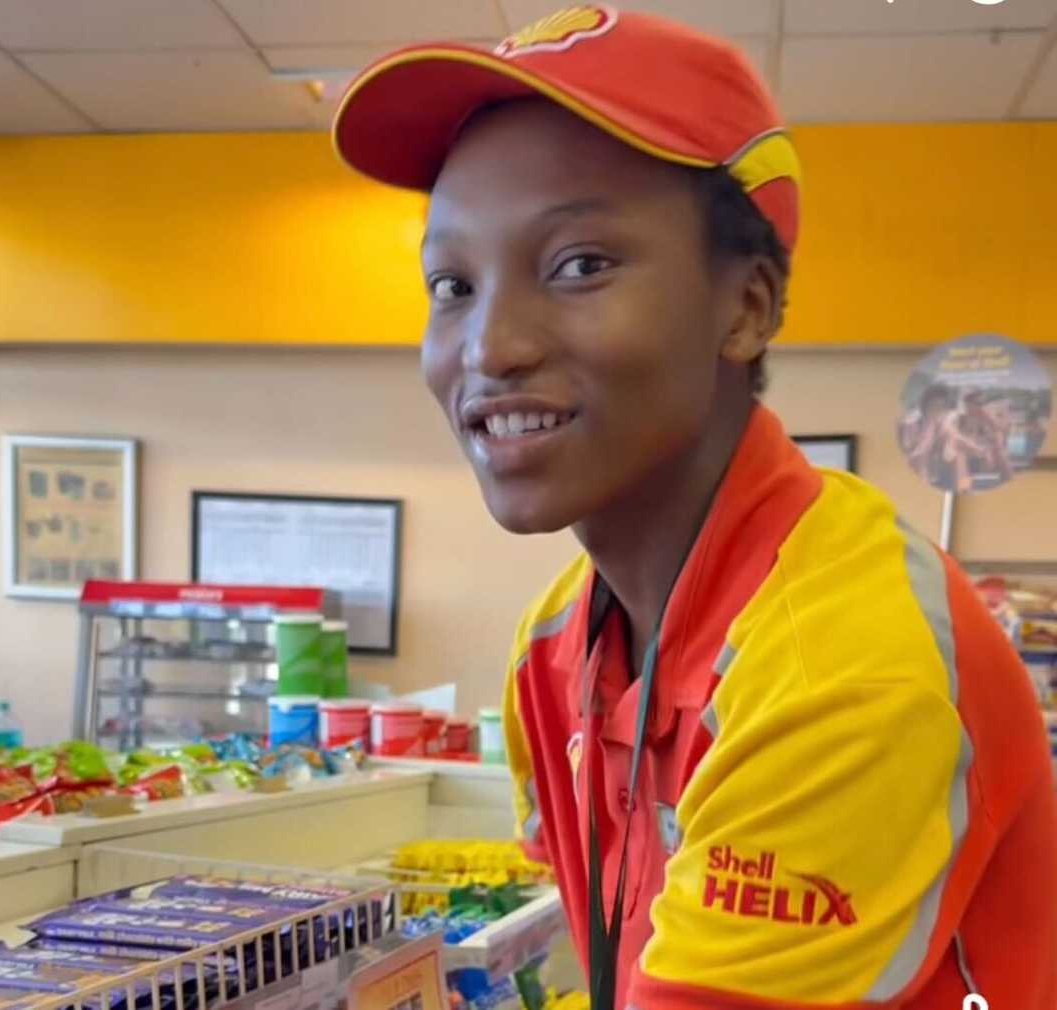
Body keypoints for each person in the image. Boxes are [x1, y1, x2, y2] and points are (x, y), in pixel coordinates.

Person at [333, 7, 1057, 1008]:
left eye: (578, 263)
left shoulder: (842, 662)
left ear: (746, 305)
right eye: (450, 282)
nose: (489, 346)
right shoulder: (554, 646)